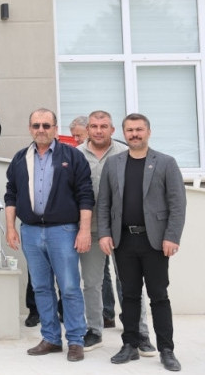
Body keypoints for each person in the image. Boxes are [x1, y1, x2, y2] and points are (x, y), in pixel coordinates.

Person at [97, 113, 186, 372]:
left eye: (139, 129)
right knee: (130, 295)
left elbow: (177, 204)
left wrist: (172, 236)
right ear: (123, 133)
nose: (134, 134)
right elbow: (104, 203)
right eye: (130, 130)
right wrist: (104, 233)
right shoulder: (113, 163)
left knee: (159, 296)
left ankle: (167, 350)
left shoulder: (166, 162)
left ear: (148, 132)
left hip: (155, 242)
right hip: (124, 241)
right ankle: (130, 345)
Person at [5, 108, 93, 362]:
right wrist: (10, 227)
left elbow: (85, 195)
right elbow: (11, 194)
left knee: (69, 287)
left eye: (46, 125)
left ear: (55, 128)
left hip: (63, 231)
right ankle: (51, 338)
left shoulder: (72, 156)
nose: (41, 130)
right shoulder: (20, 158)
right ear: (30, 129)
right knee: (41, 287)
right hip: (31, 232)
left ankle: (75, 340)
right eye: (36, 125)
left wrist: (84, 230)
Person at [75, 110, 153, 352]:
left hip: (123, 230)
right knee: (91, 283)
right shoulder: (76, 155)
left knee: (130, 283)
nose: (99, 131)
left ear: (112, 129)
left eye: (104, 126)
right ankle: (94, 330)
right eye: (94, 126)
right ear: (88, 129)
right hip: (90, 230)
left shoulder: (125, 152)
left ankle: (140, 332)